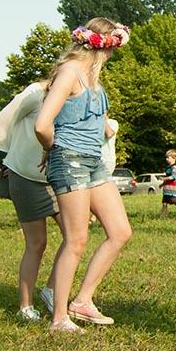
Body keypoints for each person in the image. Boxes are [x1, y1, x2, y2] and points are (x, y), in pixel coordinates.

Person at [35, 18, 133, 333]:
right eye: (113, 45)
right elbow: (42, 124)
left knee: (120, 231)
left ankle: (83, 301)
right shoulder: (70, 73)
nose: (114, 52)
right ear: (101, 43)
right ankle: (59, 318)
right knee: (76, 239)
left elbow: (102, 126)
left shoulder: (95, 80)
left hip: (94, 161)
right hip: (70, 158)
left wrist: (111, 127)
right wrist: (53, 149)